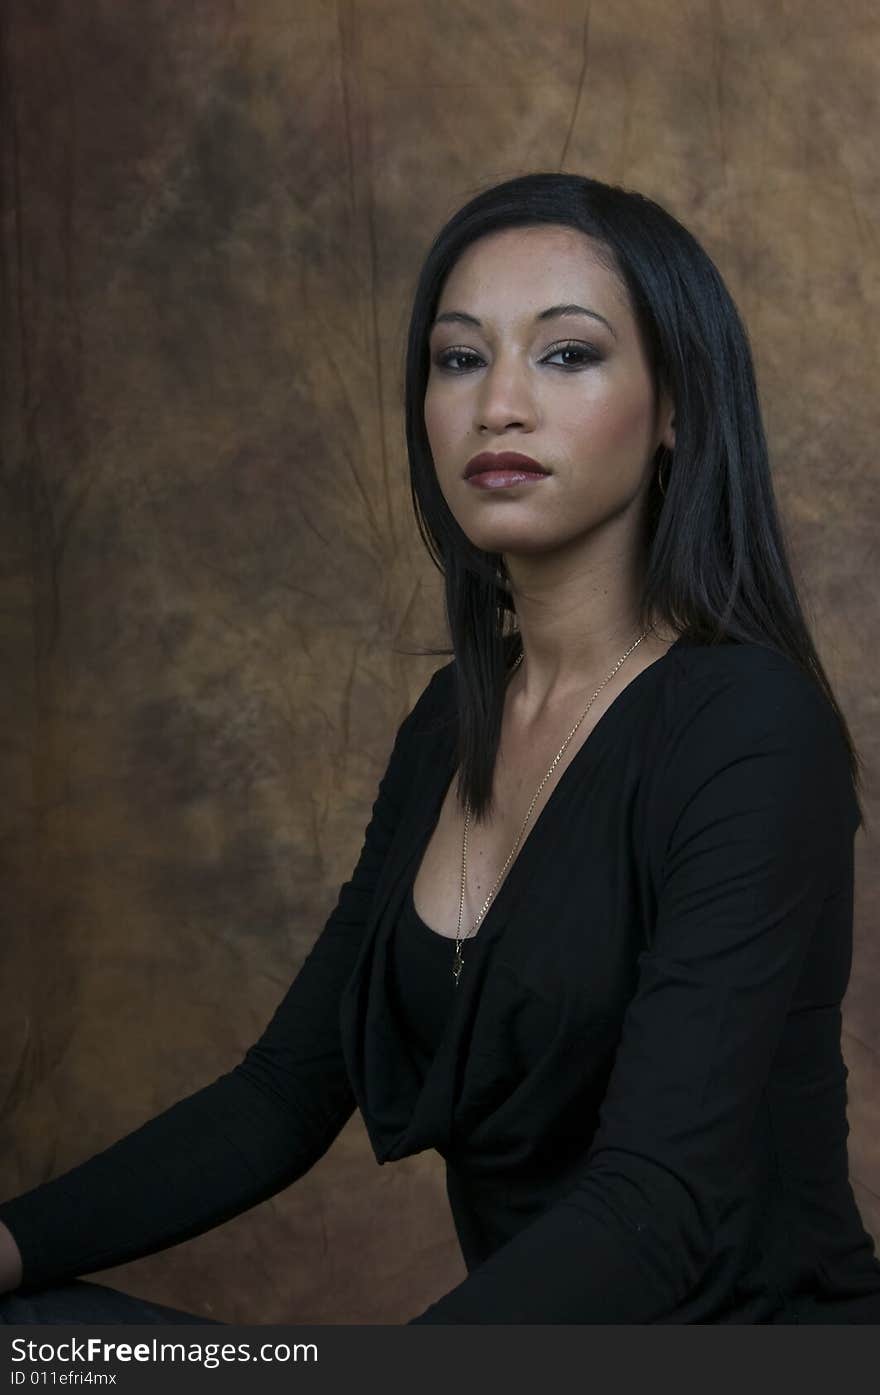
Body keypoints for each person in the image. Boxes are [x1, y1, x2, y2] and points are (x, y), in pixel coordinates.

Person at [2, 171, 880, 1325]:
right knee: (36, 1338)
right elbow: (282, 1096)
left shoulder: (748, 728)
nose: (497, 405)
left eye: (566, 355)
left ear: (675, 407)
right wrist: (10, 1247)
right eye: (459, 358)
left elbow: (653, 1206)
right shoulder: (447, 727)